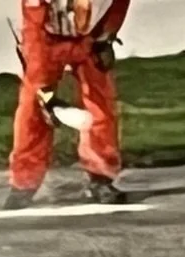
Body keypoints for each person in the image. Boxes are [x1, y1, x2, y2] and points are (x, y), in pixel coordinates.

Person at [7, 0, 131, 209]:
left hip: (91, 37)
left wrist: (106, 36)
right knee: (33, 111)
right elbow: (33, 24)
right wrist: (43, 90)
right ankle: (24, 184)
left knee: (101, 103)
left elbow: (118, 4)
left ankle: (101, 178)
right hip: (44, 36)